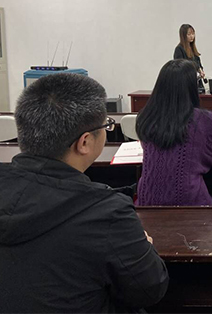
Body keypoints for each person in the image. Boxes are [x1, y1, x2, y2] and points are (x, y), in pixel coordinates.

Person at [0, 73, 169, 313]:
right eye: (106, 125)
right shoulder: (108, 213)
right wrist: (146, 247)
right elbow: (150, 289)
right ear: (85, 142)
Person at [136, 59, 212, 206]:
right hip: (189, 205)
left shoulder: (146, 116)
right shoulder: (203, 119)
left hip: (146, 202)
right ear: (192, 87)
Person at [173, 23, 206, 92]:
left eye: (193, 34)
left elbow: (199, 65)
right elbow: (180, 67)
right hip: (185, 85)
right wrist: (197, 68)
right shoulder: (179, 49)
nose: (192, 36)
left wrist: (201, 71)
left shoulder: (193, 50)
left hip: (197, 84)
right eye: (189, 34)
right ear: (183, 36)